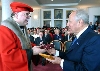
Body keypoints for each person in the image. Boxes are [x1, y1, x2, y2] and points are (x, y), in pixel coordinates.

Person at [0, 2, 46, 71]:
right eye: (26, 14)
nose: (29, 17)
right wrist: (31, 52)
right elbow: (8, 55)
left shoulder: (22, 27)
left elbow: (24, 44)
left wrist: (36, 46)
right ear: (16, 15)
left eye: (29, 15)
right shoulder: (4, 29)